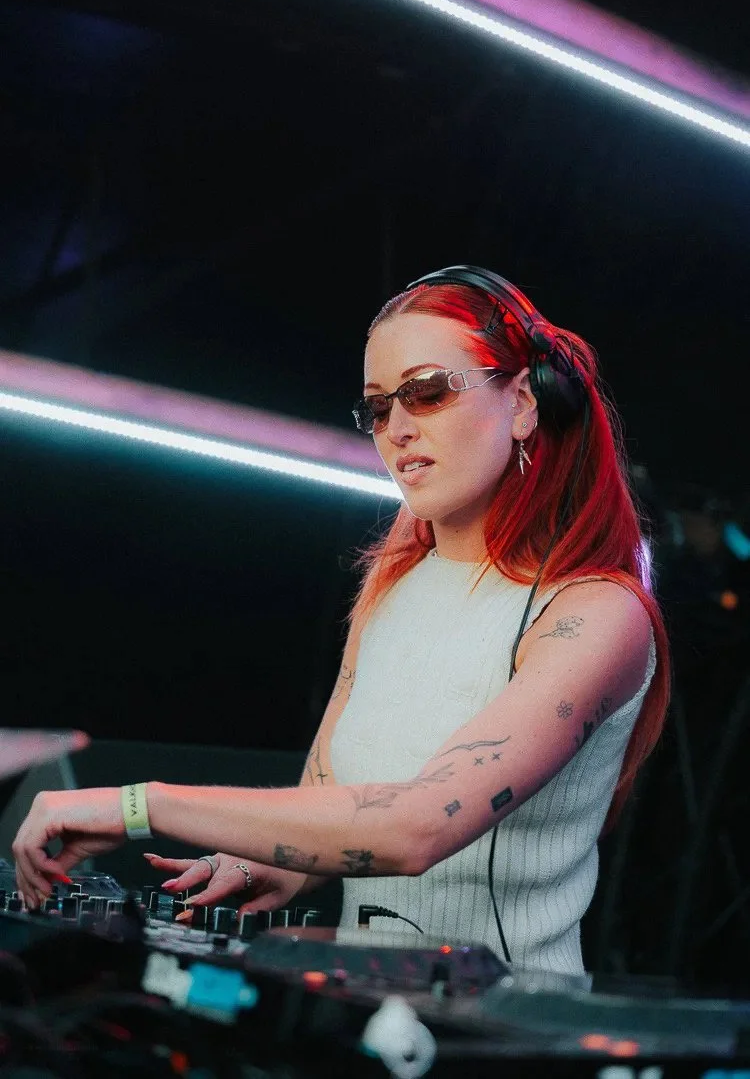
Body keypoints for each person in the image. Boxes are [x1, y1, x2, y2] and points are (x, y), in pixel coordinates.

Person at [13, 267, 670, 974]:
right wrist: (264, 862)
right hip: (372, 1006)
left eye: (427, 391)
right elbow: (327, 805)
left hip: (504, 1023)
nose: (398, 429)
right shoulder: (392, 588)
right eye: (378, 408)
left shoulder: (597, 613)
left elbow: (415, 829)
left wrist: (137, 805)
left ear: (523, 403)